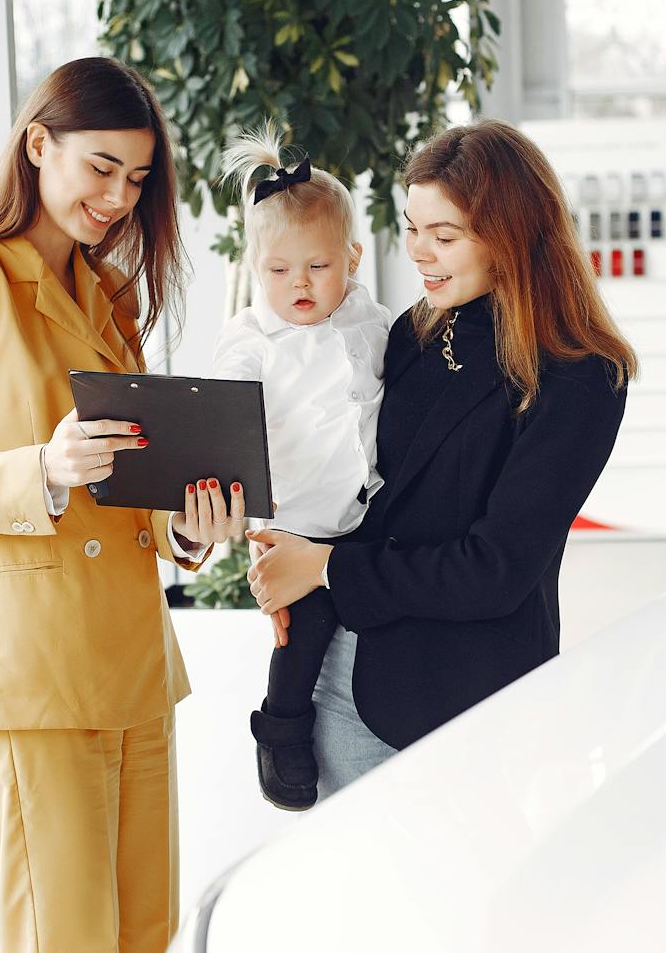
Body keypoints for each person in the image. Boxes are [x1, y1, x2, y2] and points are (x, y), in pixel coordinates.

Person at [0, 57, 246, 953]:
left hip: (132, 668)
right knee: (63, 938)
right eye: (101, 167)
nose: (118, 197)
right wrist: (39, 467)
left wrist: (187, 529)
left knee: (145, 934)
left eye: (138, 178)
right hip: (28, 677)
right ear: (39, 144)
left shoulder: (109, 293)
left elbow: (134, 476)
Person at [246, 119, 636, 795]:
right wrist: (288, 546)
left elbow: (497, 569)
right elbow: (362, 486)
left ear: (510, 235)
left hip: (471, 701)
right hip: (349, 680)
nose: (420, 253)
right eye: (413, 227)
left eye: (445, 236)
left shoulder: (581, 377)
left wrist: (326, 566)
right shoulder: (415, 332)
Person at [210, 124, 390, 810]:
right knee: (303, 627)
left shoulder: (370, 319)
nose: (300, 284)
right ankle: (281, 728)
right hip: (297, 520)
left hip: (370, 511)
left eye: (317, 266)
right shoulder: (253, 337)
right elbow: (227, 401)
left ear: (352, 255)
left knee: (371, 610)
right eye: (279, 271)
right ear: (257, 271)